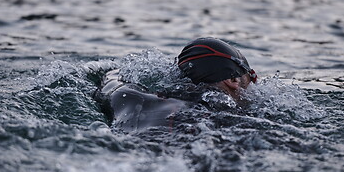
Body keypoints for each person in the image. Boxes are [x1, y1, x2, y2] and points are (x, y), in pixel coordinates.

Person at [95, 37, 257, 132]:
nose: (253, 87)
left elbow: (111, 76)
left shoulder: (137, 98)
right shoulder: (234, 118)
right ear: (233, 80)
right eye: (251, 78)